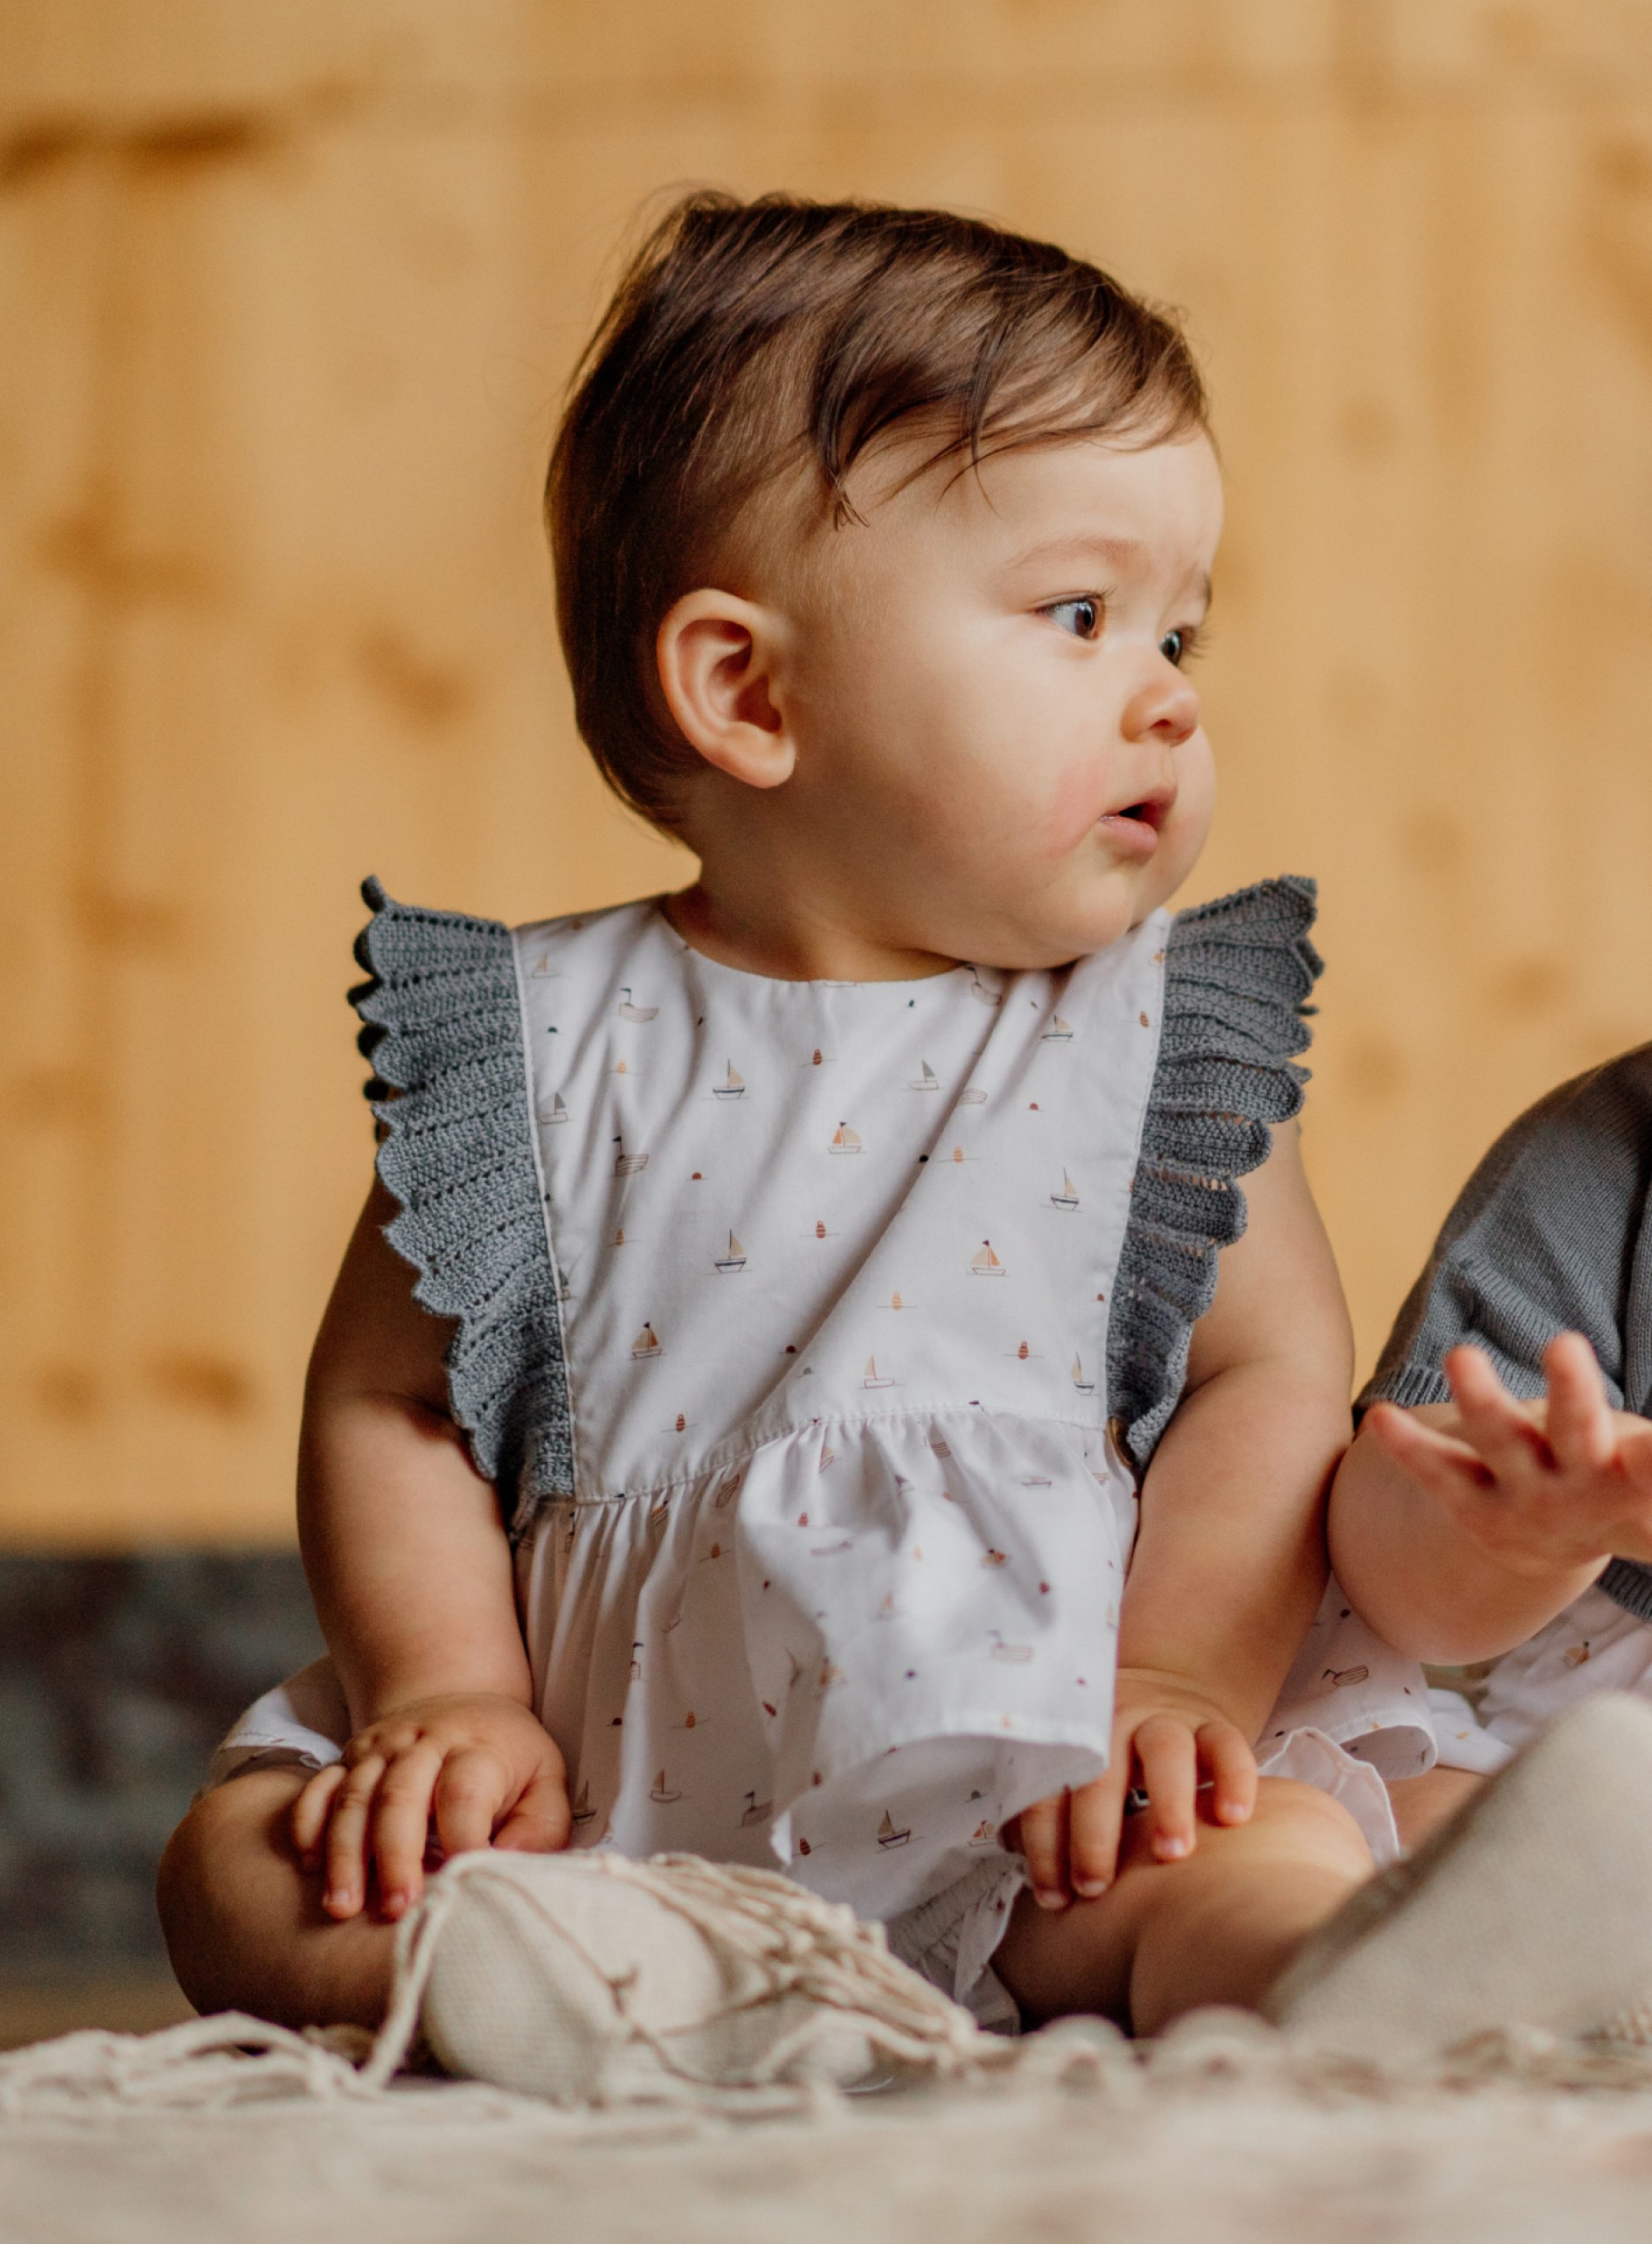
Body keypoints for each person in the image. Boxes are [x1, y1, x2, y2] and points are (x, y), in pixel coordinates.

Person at [157, 191, 1454, 2058]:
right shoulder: (529, 1043)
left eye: (1185, 627)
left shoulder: (1152, 1037)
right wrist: (445, 1690)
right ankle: (595, 1986)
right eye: (1083, 615)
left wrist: (1173, 1671)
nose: (1169, 695)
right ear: (749, 689)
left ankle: (1334, 1976)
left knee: (1245, 1854)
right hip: (600, 1798)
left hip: (1037, 1776)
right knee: (244, 1863)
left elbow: (1271, 1377)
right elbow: (398, 1402)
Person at [1331, 1048, 1652, 1855]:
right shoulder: (1609, 1156)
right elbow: (1393, 1579)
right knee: (1358, 1823)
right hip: (1579, 1747)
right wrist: (1542, 1520)